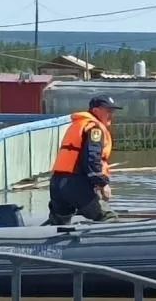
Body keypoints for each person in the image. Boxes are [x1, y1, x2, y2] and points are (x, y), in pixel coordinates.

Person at [46, 94, 121, 225]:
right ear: (96, 110)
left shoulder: (79, 124)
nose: (112, 115)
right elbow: (92, 158)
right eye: (108, 111)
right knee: (109, 218)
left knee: (59, 222)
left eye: (113, 111)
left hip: (57, 183)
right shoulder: (94, 129)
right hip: (74, 184)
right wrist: (103, 184)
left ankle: (36, 243)